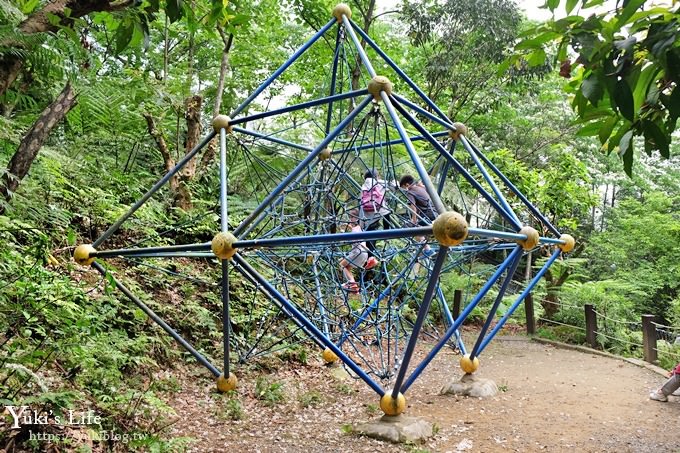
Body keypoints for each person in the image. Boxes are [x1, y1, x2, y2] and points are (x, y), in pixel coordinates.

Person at [360, 169, 394, 269]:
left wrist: (361, 224)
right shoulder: (380, 183)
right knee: (387, 211)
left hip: (368, 217)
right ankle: (387, 234)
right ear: (376, 176)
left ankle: (368, 261)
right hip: (380, 211)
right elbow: (394, 185)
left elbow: (361, 205)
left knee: (369, 241)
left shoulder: (363, 186)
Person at [399, 174, 437, 257]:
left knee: (411, 227)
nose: (404, 190)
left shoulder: (410, 192)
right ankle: (422, 248)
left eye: (403, 188)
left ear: (407, 185)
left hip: (427, 215)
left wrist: (414, 220)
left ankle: (427, 249)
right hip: (434, 213)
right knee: (417, 228)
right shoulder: (421, 187)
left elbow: (413, 208)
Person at [339, 210, 369, 293]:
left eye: (351, 217)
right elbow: (354, 231)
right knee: (347, 267)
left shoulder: (355, 231)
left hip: (357, 253)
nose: (350, 219)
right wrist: (348, 227)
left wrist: (342, 236)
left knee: (342, 265)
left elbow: (351, 240)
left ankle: (352, 283)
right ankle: (353, 285)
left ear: (356, 218)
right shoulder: (359, 228)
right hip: (363, 254)